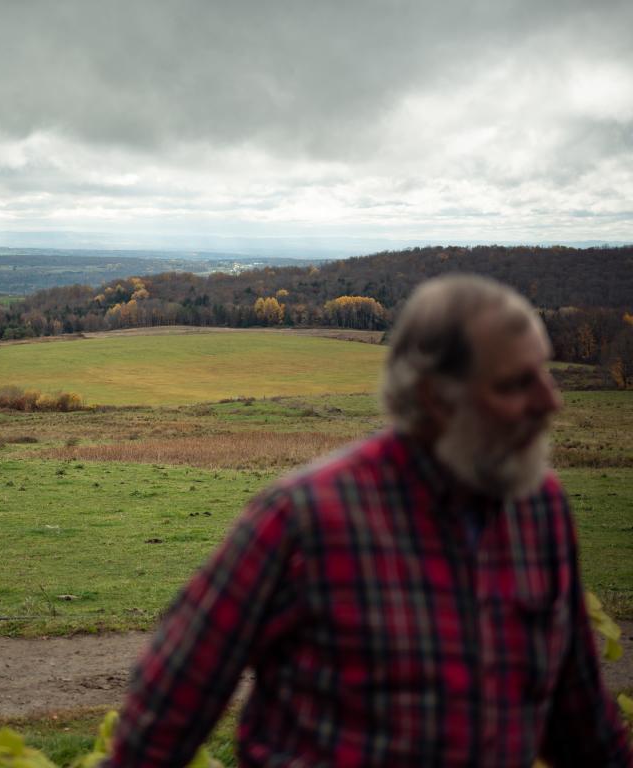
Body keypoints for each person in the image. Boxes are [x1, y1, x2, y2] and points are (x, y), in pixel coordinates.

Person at [105, 275, 632, 767]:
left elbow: (583, 721)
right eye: (516, 384)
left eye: (544, 371)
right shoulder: (304, 521)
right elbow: (164, 716)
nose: (551, 400)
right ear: (435, 397)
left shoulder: (539, 510)